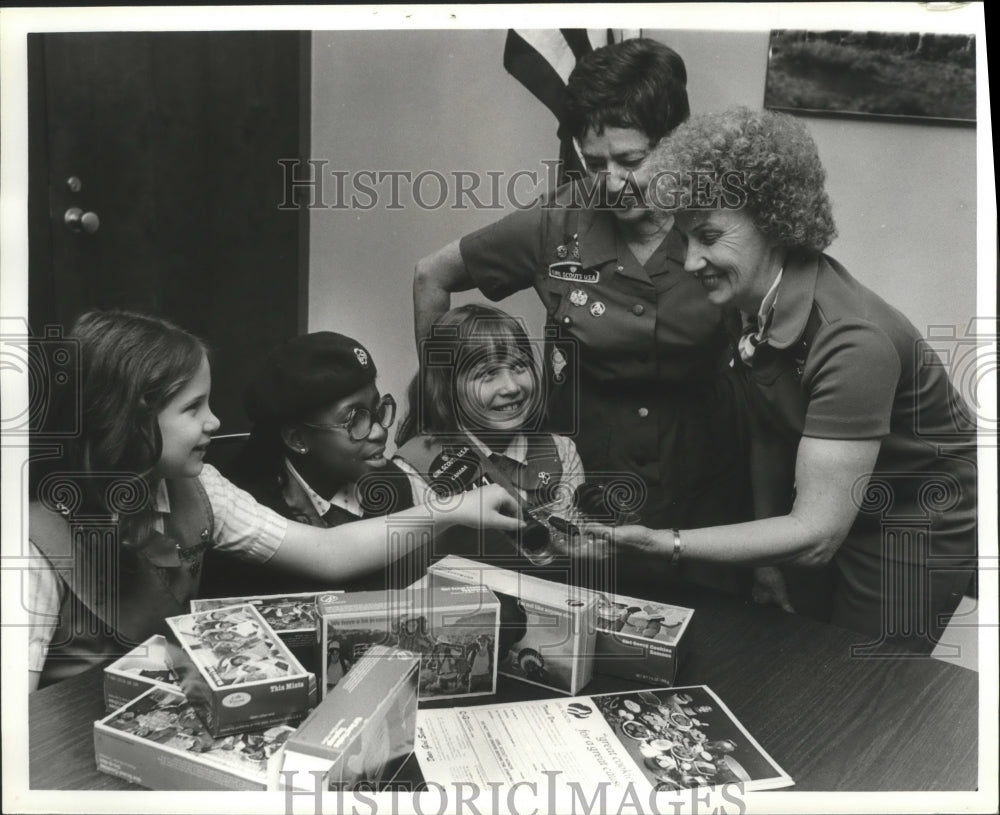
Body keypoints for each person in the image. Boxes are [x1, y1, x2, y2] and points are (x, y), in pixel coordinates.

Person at [584, 107, 977, 652]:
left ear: (772, 222)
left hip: (913, 525)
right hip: (831, 500)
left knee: (865, 685)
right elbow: (770, 429)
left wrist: (664, 543)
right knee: (802, 655)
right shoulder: (745, 300)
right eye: (684, 240)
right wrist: (769, 562)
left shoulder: (853, 341)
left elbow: (816, 536)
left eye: (710, 236)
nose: (692, 261)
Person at [412, 38, 751, 599]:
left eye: (632, 161)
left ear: (676, 144)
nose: (613, 182)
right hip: (581, 499)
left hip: (705, 500)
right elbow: (432, 276)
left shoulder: (721, 223)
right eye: (596, 164)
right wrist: (443, 407)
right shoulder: (557, 220)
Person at [26, 310, 521, 690]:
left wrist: (451, 508)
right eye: (193, 407)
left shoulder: (205, 489)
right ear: (126, 422)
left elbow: (329, 553)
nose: (214, 422)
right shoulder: (31, 545)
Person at [200, 331, 416, 596]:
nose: (379, 432)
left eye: (377, 410)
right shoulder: (245, 508)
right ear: (298, 439)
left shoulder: (392, 484)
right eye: (355, 420)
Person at [394, 304, 585, 576]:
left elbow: (569, 549)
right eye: (487, 373)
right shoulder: (416, 467)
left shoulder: (561, 451)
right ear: (448, 385)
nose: (511, 387)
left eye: (519, 366)